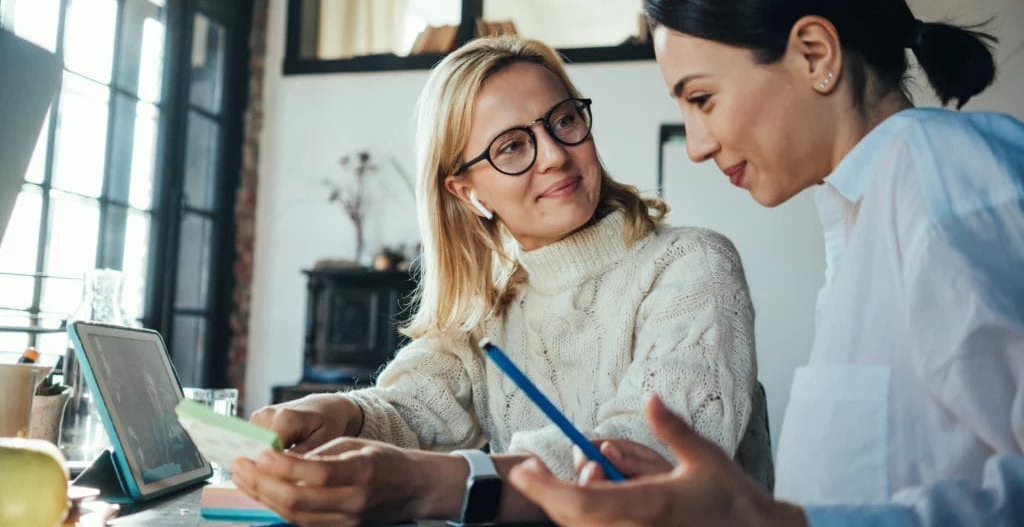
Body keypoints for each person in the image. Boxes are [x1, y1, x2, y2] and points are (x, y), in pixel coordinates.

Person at [507, 0, 1024, 525]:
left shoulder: (945, 176)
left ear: (814, 54)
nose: (697, 145)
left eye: (701, 99)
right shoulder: (866, 212)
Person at [231, 35, 774, 526]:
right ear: (467, 193)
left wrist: (429, 483)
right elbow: (414, 409)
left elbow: (644, 459)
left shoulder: (692, 263)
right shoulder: (490, 300)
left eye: (563, 121)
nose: (555, 156)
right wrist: (343, 412)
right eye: (512, 146)